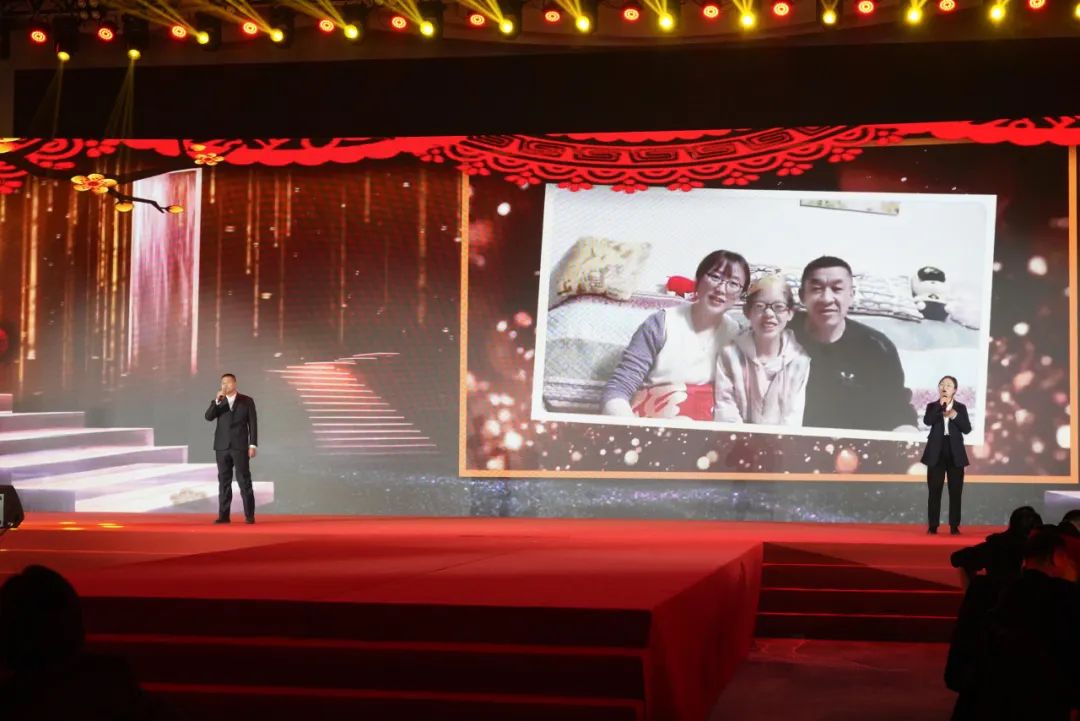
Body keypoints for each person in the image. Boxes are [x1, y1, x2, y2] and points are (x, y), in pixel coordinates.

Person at [602, 250, 748, 421]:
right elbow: (619, 388)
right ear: (698, 279)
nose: (721, 289)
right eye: (715, 277)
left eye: (733, 283)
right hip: (653, 425)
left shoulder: (738, 336)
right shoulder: (660, 324)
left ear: (740, 295)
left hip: (712, 429)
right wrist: (628, 427)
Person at [789, 256, 916, 431]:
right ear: (802, 296)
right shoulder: (780, 334)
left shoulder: (876, 348)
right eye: (817, 289)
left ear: (851, 295)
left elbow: (897, 410)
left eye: (837, 289)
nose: (827, 298)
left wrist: (906, 432)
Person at [970, 526, 1080, 721]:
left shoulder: (995, 591)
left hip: (996, 701)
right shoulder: (1066, 596)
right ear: (1056, 557)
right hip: (1051, 702)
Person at [714, 274, 810, 426]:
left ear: (790, 313)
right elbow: (726, 412)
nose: (769, 314)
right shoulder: (729, 356)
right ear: (747, 311)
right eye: (760, 306)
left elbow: (793, 418)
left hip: (782, 439)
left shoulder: (799, 361)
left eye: (779, 307)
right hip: (735, 438)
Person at [204, 373, 258, 524]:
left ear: (235, 383)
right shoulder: (218, 402)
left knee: (244, 480)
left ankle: (249, 515)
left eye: (228, 383)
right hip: (221, 447)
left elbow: (253, 424)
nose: (225, 386)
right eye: (222, 383)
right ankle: (224, 516)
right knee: (224, 481)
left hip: (240, 446)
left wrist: (252, 444)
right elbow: (208, 417)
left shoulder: (247, 401)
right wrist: (216, 401)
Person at [922, 375, 971, 535]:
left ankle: (954, 526)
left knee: (955, 491)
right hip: (936, 451)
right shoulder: (932, 406)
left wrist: (954, 416)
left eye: (948, 385)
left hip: (955, 451)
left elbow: (967, 429)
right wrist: (939, 407)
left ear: (954, 390)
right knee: (934, 490)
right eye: (942, 384)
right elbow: (927, 421)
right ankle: (933, 526)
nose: (944, 387)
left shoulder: (961, 408)